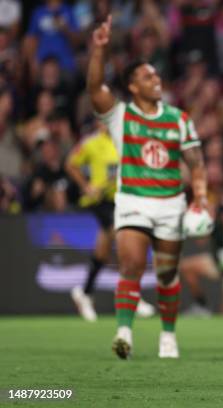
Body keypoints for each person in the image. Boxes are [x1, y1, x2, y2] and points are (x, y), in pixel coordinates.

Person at [87, 15, 207, 359]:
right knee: (131, 264)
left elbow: (196, 162)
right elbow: (95, 89)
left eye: (155, 74)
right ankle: (124, 332)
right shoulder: (120, 116)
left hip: (171, 203)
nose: (155, 79)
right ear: (133, 87)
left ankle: (167, 335)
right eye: (146, 76)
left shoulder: (178, 119)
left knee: (168, 275)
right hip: (134, 202)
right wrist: (98, 51)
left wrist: (199, 197)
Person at [66, 120, 155, 322]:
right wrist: (86, 185)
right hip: (99, 200)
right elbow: (70, 164)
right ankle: (130, 293)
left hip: (119, 200)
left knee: (103, 250)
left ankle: (84, 293)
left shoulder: (124, 143)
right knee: (124, 235)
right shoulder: (91, 143)